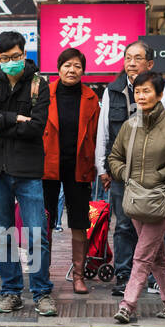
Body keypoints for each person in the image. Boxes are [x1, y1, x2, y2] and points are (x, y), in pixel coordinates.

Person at [0, 31, 55, 316]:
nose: (12, 62)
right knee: (4, 233)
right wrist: (14, 118)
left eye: (17, 57)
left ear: (25, 54)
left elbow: (36, 127)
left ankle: (42, 291)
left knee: (36, 233)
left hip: (28, 169)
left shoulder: (38, 85)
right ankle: (10, 292)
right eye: (6, 58)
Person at [108, 72, 165, 323]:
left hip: (163, 198)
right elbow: (114, 157)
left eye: (147, 91)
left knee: (142, 253)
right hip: (135, 198)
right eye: (137, 91)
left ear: (159, 95)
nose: (141, 96)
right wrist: (125, 174)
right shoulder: (129, 126)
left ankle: (128, 304)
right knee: (156, 254)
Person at [95, 42, 165, 296]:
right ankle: (123, 275)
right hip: (121, 171)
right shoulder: (113, 90)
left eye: (137, 58)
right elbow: (103, 130)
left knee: (155, 224)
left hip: (155, 170)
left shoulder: (163, 88)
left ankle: (153, 276)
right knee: (124, 225)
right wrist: (102, 166)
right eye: (128, 58)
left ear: (149, 64)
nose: (131, 63)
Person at [43, 47, 99, 294]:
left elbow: (98, 135)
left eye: (77, 66)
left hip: (80, 166)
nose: (72, 70)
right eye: (67, 65)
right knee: (45, 220)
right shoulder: (45, 93)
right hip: (47, 166)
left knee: (79, 221)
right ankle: (42, 273)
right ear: (58, 68)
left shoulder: (91, 98)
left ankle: (78, 275)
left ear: (83, 71)